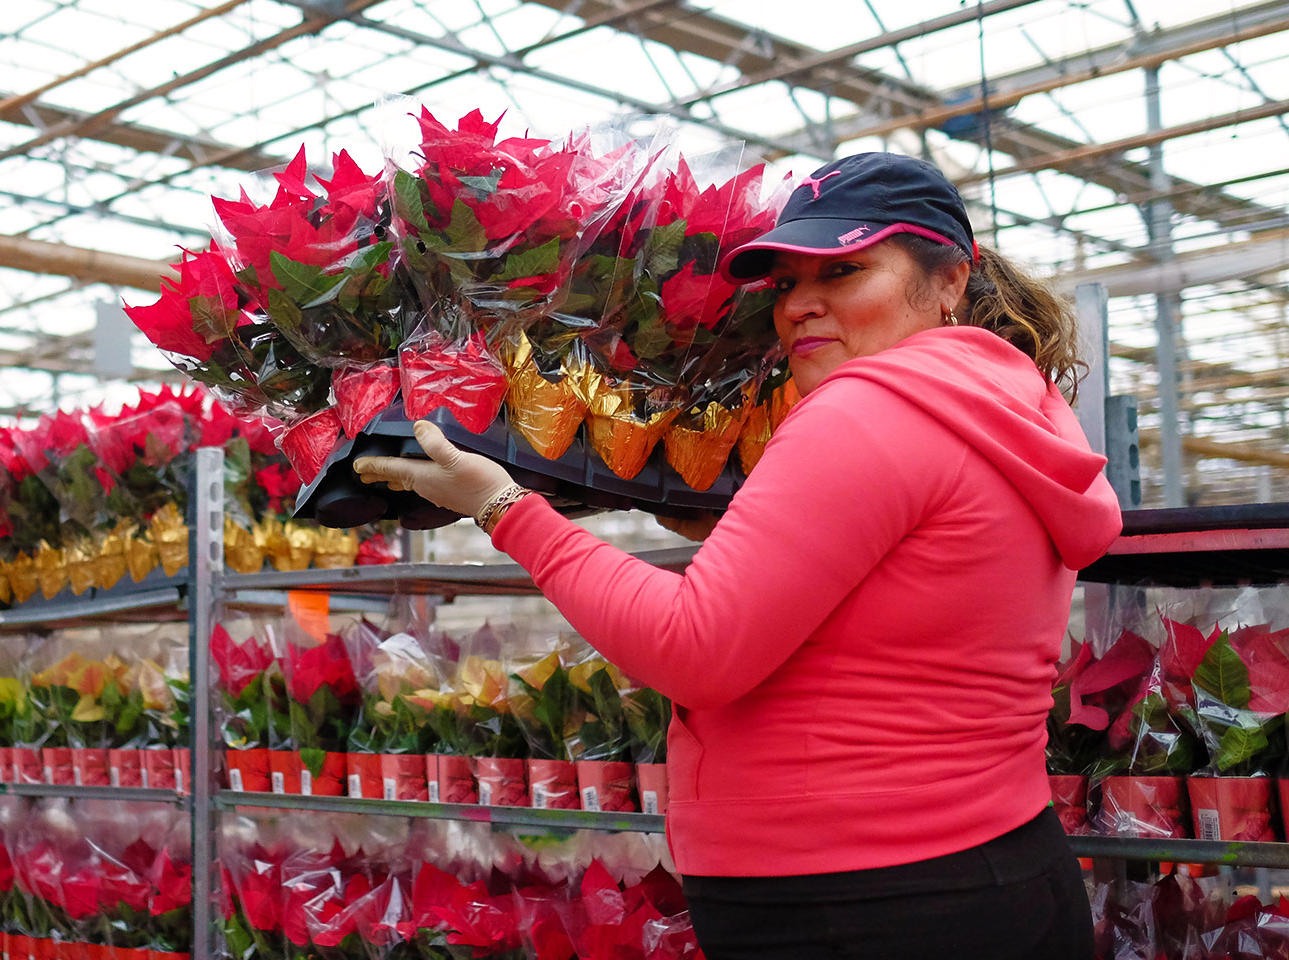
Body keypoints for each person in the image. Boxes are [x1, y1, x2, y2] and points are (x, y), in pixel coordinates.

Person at [353, 152, 1122, 960]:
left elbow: (696, 649)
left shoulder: (869, 410)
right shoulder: (994, 408)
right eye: (787, 283)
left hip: (869, 904)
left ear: (950, 280)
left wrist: (505, 507)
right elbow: (902, 609)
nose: (801, 306)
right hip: (978, 876)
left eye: (846, 270)